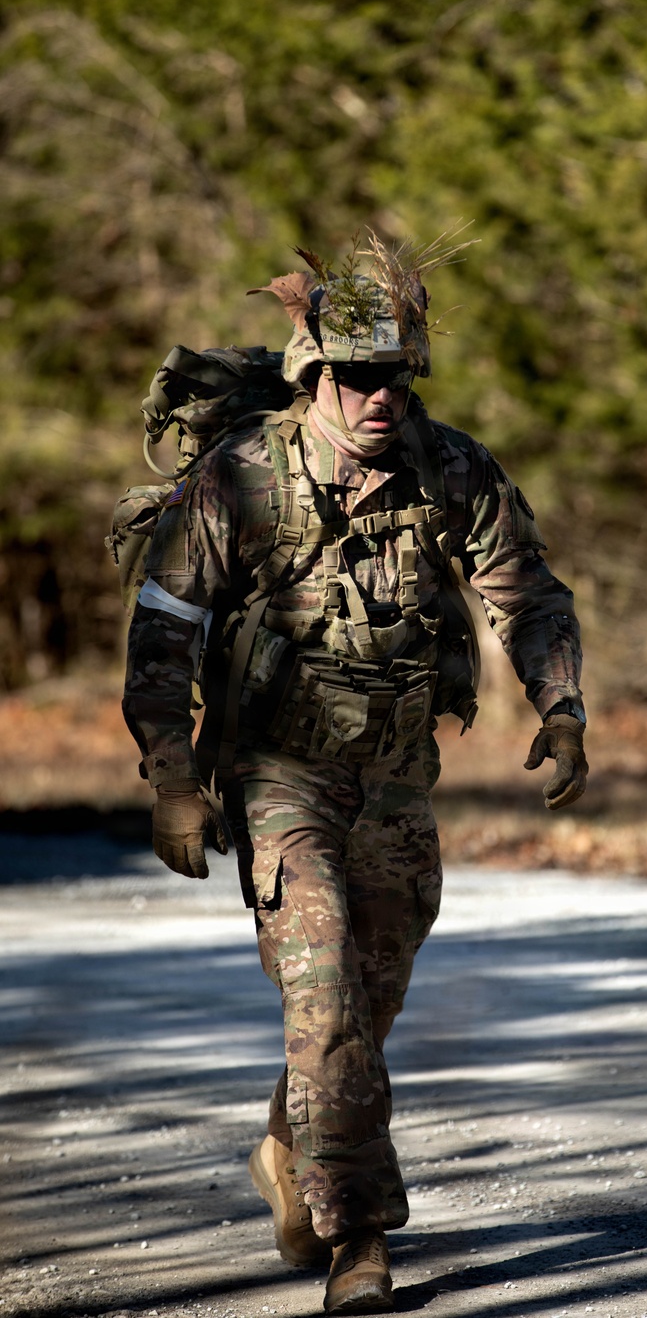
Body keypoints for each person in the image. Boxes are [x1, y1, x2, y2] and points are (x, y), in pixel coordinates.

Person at [121, 231, 587, 1314]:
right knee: (322, 987)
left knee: (366, 1002)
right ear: (312, 376)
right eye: (358, 375)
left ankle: (293, 1147)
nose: (381, 395)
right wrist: (173, 777)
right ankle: (359, 1240)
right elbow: (163, 632)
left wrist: (560, 707)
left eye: (397, 376)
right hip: (278, 773)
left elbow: (525, 591)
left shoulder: (451, 467)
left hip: (395, 777)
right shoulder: (240, 479)